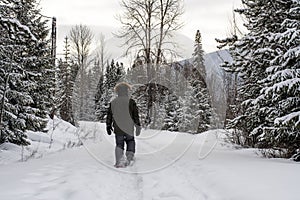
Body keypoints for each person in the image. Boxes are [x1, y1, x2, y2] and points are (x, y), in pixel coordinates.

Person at [106, 82, 141, 168]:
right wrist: (138, 126)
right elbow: (135, 115)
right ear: (126, 91)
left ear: (117, 91)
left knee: (119, 144)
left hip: (118, 128)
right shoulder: (131, 102)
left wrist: (108, 126)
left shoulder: (113, 102)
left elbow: (109, 115)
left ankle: (119, 161)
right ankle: (129, 158)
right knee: (130, 141)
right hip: (129, 127)